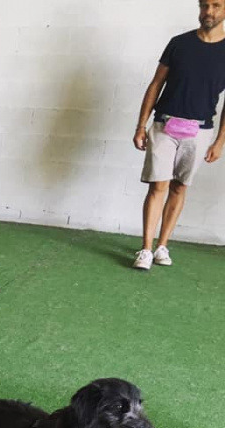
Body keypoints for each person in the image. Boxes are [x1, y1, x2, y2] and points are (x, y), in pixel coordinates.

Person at [132, 0, 225, 270]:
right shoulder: (179, 44)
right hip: (165, 125)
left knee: (179, 187)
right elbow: (156, 84)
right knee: (157, 185)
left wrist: (220, 141)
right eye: (205, 5)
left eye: (217, 6)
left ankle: (163, 245)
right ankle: (146, 249)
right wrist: (141, 125)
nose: (209, 12)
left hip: (200, 131)